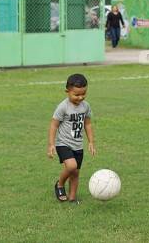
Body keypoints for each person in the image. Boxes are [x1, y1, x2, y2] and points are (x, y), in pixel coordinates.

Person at [48, 73, 96, 204]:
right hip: (63, 143)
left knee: (75, 173)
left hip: (78, 145)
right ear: (67, 91)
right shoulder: (63, 107)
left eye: (83, 94)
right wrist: (51, 144)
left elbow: (88, 124)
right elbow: (53, 125)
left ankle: (72, 198)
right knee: (71, 166)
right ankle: (60, 184)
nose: (80, 97)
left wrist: (91, 141)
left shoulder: (85, 106)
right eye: (76, 94)